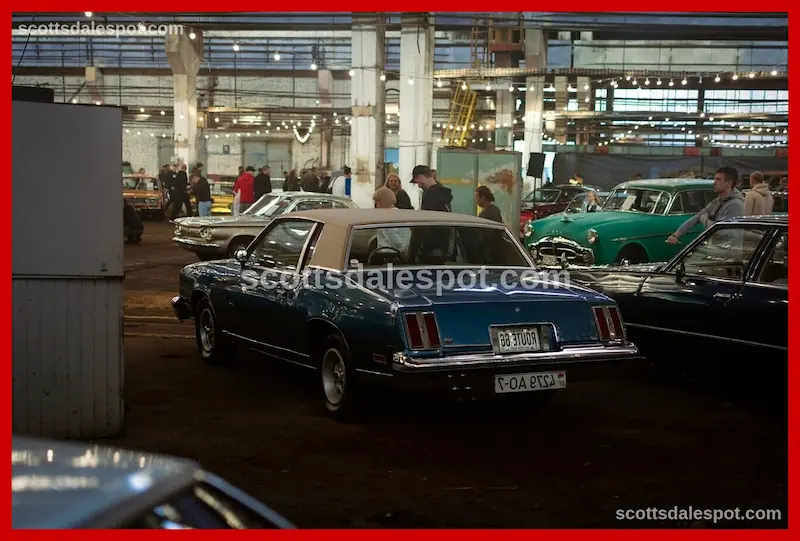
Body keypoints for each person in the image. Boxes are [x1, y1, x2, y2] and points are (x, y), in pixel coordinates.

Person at [667, 166, 744, 244]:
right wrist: (676, 235)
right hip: (717, 247)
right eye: (715, 179)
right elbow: (698, 216)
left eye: (718, 179)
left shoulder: (735, 205)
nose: (714, 183)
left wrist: (704, 219)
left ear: (729, 183)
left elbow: (721, 231)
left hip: (728, 249)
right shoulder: (718, 201)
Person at [372, 187, 411, 254]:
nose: (376, 205)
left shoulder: (387, 218)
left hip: (389, 254)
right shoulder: (400, 214)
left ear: (383, 201)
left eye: (377, 202)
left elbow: (396, 241)